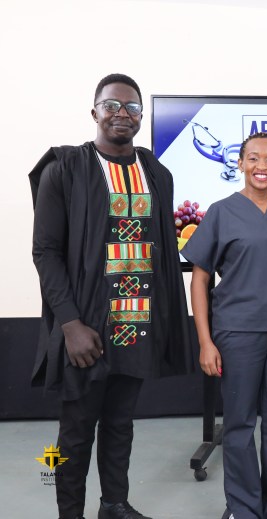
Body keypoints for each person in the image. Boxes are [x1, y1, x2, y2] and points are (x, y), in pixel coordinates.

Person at [29, 73, 194, 519]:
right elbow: (45, 252)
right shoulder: (64, 169)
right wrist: (70, 325)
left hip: (136, 322)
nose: (122, 113)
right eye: (112, 105)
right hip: (86, 326)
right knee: (74, 431)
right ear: (95, 112)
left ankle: (114, 504)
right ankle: (69, 512)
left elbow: (160, 248)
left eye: (131, 107)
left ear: (141, 116)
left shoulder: (156, 173)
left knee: (121, 422)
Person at [183, 132, 267, 519]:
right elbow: (199, 279)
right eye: (254, 158)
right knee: (239, 423)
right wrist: (205, 341)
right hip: (238, 332)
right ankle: (242, 507)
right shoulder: (221, 212)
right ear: (240, 163)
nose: (262, 166)